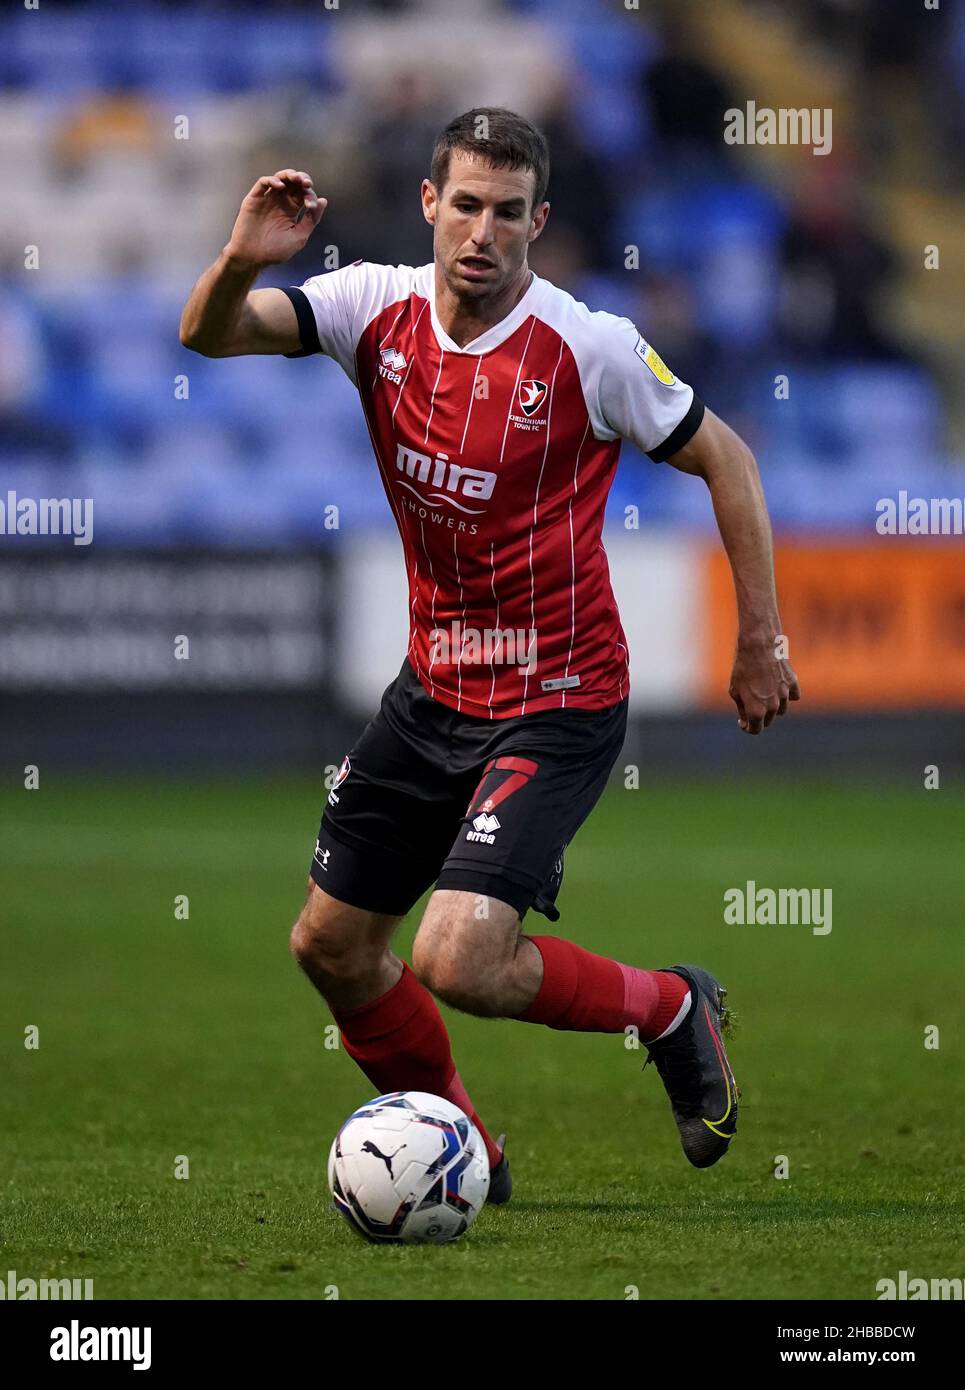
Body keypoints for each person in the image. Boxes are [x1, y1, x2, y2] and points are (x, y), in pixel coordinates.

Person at [180, 107, 800, 1203]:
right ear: (429, 203)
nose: (480, 231)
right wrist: (239, 259)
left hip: (554, 698)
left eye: (505, 212)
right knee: (327, 946)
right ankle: (463, 1141)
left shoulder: (587, 347)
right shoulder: (370, 306)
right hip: (431, 693)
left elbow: (731, 461)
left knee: (455, 957)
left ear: (536, 222)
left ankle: (668, 1007)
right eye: (462, 204)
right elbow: (208, 335)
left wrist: (759, 639)